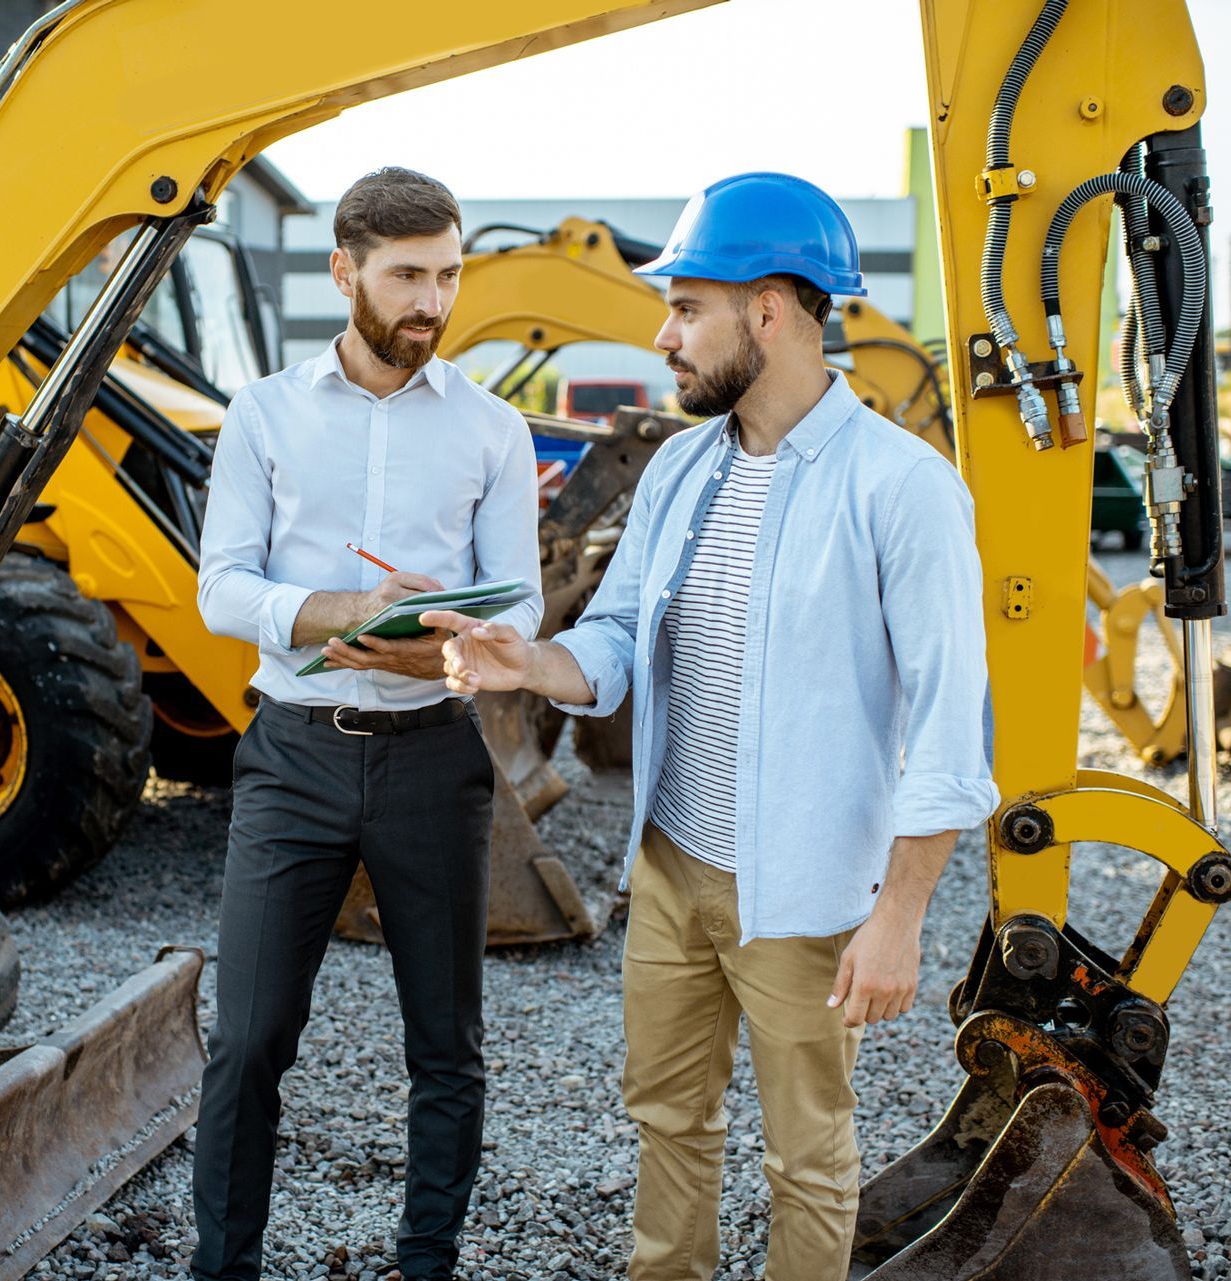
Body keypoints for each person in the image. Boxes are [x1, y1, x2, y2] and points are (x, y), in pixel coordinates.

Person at [422, 172, 998, 1281]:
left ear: (769, 311)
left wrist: (902, 917)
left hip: (804, 895)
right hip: (672, 869)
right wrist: (530, 660)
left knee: (808, 1157)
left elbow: (949, 732)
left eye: (688, 309)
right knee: (668, 1122)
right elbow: (625, 636)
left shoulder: (901, 488)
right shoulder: (684, 464)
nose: (664, 335)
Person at [192, 166, 543, 1281]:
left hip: (435, 755)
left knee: (446, 1045)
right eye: (405, 276)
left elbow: (523, 603)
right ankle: (223, 1267)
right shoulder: (263, 414)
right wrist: (333, 610)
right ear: (345, 271)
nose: (429, 301)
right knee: (247, 1039)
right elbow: (222, 589)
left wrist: (442, 648)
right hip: (292, 753)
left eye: (445, 274)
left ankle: (425, 1260)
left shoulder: (492, 431)